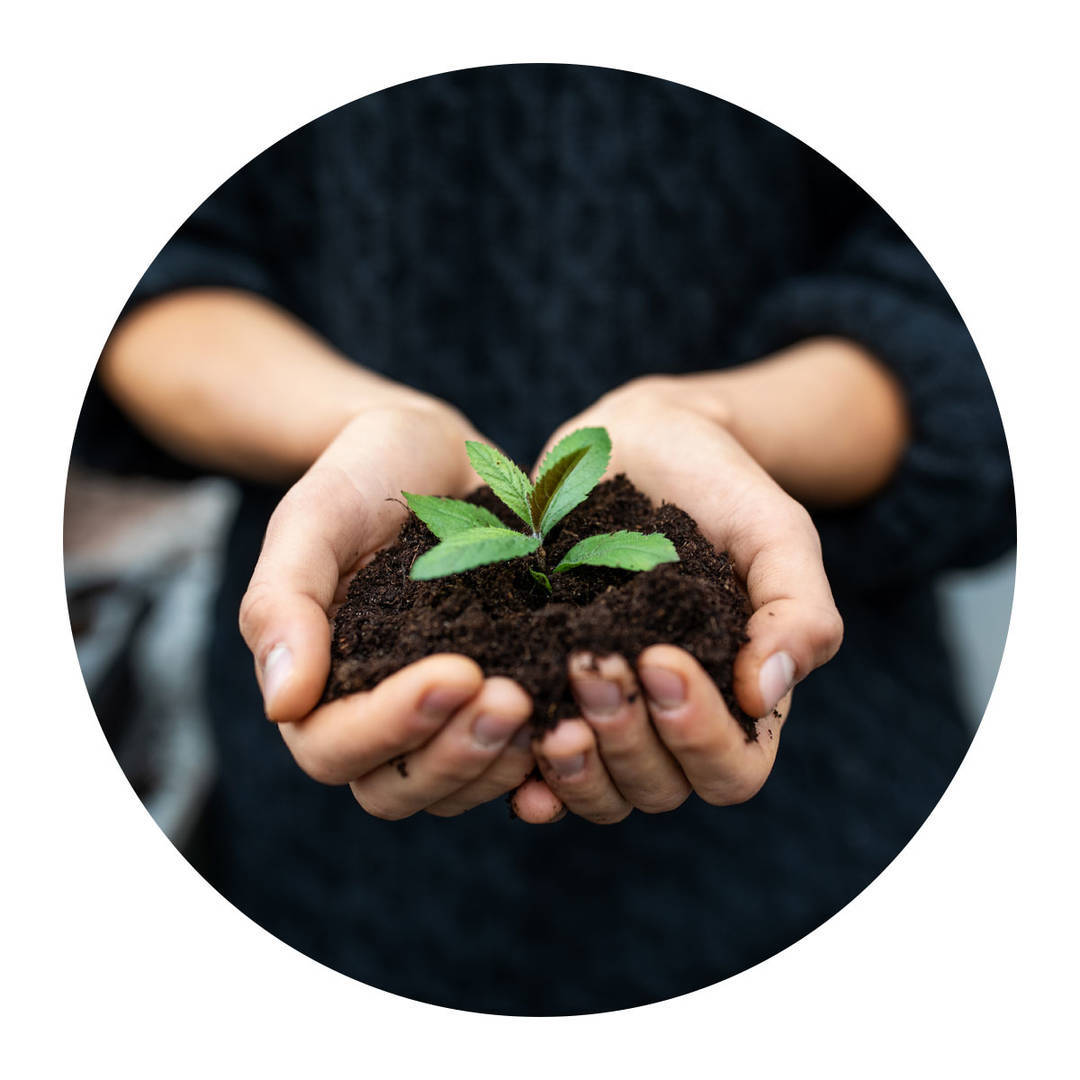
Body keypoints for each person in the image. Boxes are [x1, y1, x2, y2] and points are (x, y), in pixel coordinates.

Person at [75, 64, 1014, 1014]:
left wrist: (722, 418)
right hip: (322, 882)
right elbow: (132, 262)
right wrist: (361, 423)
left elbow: (983, 291)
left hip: (833, 833)